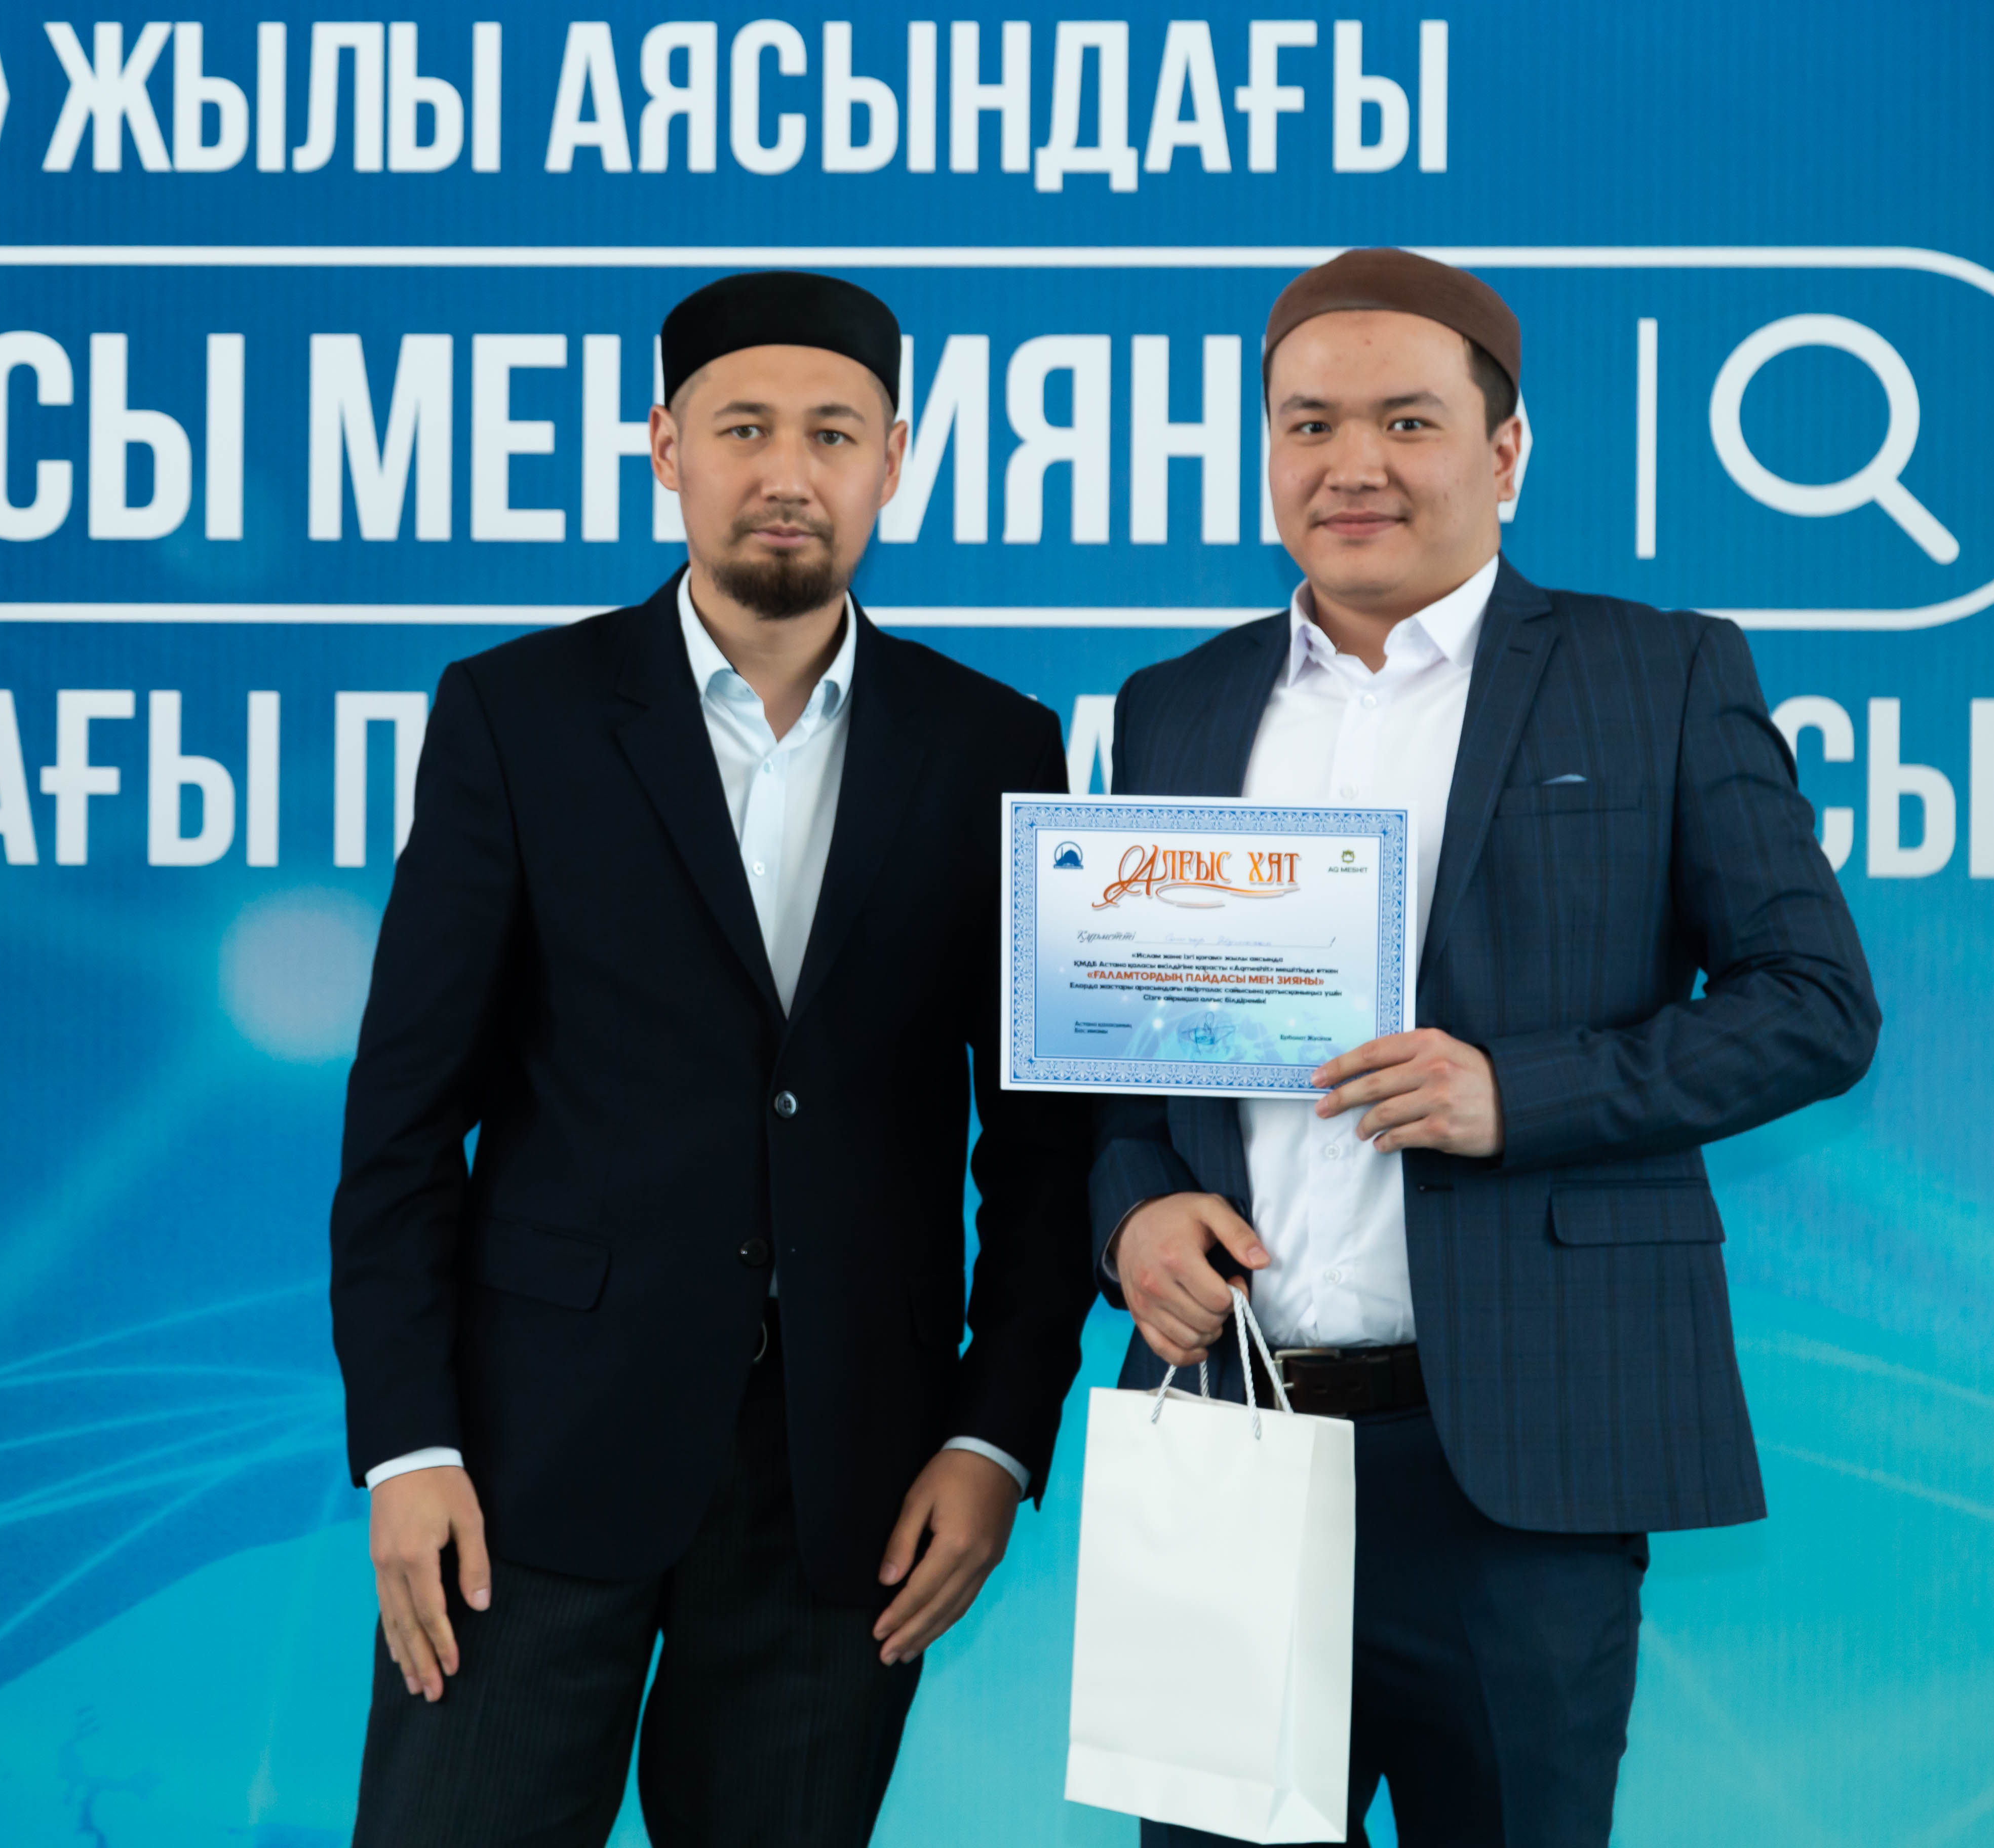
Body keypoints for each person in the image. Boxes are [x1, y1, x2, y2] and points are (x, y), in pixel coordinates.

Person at [1092, 248, 1880, 1845]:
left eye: (1408, 422)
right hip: (1230, 1443)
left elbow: (1816, 1003)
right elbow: (1128, 1064)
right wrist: (1132, 1215)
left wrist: (1520, 1094)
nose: (1354, 465)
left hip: (1525, 1464)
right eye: (1310, 425)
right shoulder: (1173, 706)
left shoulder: (1659, 673)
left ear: (1505, 452)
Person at [328, 270, 1094, 1847]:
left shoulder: (996, 746)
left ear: (895, 460)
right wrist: (407, 1444)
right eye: (744, 429)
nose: (788, 472)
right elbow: (403, 1121)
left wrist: (996, 1436)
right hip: (528, 1468)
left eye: (834, 433)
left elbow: (1043, 1151)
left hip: (851, 1485)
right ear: (667, 448)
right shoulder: (518, 716)